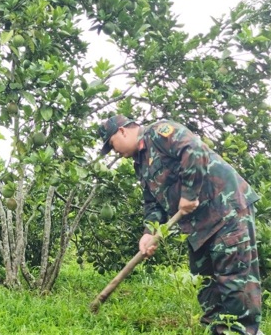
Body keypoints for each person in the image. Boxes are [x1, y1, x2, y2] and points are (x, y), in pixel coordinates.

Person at [97, 115, 262, 335]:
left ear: (123, 131)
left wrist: (189, 193)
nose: (115, 152)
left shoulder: (159, 132)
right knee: (206, 287)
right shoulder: (140, 164)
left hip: (226, 214)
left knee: (235, 287)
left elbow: (194, 150)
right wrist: (149, 232)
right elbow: (152, 203)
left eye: (111, 145)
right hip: (198, 229)